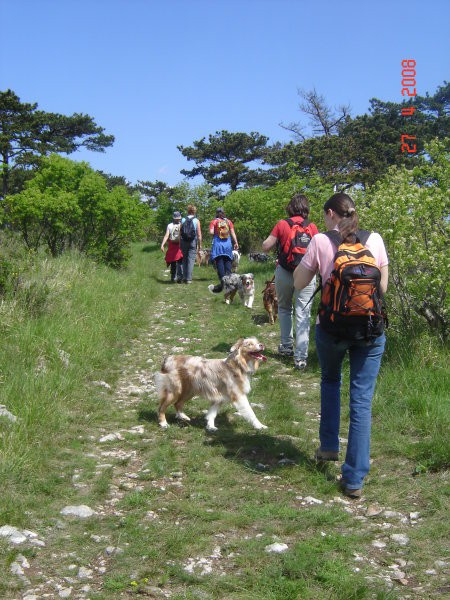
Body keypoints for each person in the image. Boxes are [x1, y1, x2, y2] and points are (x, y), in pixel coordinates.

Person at [293, 192, 389, 499]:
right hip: (370, 330)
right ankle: (354, 478)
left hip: (331, 328)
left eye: (324, 215)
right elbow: (382, 288)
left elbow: (299, 283)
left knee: (331, 380)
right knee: (361, 400)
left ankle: (329, 446)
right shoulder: (374, 240)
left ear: (332, 214)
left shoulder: (321, 241)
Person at [262, 194, 319, 370]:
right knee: (303, 311)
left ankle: (286, 346)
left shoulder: (282, 224)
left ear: (290, 207)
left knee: (285, 308)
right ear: (306, 208)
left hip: (285, 271)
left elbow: (265, 246)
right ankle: (301, 357)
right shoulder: (312, 227)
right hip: (307, 273)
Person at [208, 207, 239, 293]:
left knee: (220, 266)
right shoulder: (228, 222)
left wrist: (215, 232)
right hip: (228, 247)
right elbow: (233, 232)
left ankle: (223, 286)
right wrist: (236, 242)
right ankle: (230, 287)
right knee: (228, 268)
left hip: (218, 247)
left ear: (217, 213)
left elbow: (211, 232)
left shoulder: (214, 221)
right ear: (223, 213)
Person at [180, 204, 202, 284]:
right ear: (194, 211)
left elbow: (180, 232)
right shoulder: (196, 221)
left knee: (184, 259)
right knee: (191, 260)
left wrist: (180, 243)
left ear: (188, 211)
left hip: (183, 241)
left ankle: (184, 277)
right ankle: (189, 279)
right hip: (193, 241)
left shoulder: (182, 219)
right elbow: (199, 235)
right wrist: (200, 246)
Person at [160, 211, 184, 282]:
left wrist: (162, 244)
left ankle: (173, 276)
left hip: (172, 244)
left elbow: (167, 235)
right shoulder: (182, 225)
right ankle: (180, 276)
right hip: (180, 244)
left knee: (173, 261)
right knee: (180, 260)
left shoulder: (169, 225)